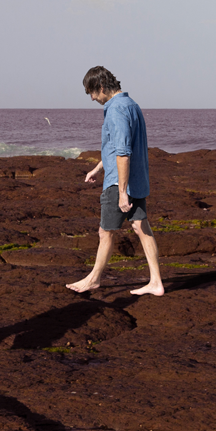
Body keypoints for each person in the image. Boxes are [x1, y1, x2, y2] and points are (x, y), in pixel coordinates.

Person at [67, 66, 164, 296]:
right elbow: (118, 147)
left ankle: (93, 279)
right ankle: (156, 282)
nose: (92, 98)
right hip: (137, 180)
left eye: (92, 92)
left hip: (120, 183)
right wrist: (98, 168)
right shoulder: (132, 105)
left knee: (105, 232)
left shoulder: (116, 110)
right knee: (141, 226)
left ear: (101, 87)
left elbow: (122, 153)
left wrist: (121, 192)